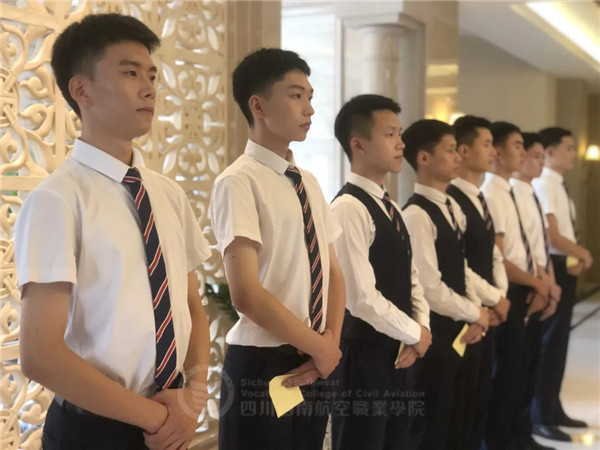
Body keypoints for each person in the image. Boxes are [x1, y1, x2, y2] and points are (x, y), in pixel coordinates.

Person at [15, 13, 211, 450]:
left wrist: (191, 398)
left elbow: (191, 306)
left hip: (170, 416)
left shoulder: (168, 194)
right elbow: (41, 355)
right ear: (81, 90)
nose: (149, 88)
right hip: (95, 430)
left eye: (151, 75)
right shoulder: (57, 200)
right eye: (130, 73)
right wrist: (158, 418)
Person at [209, 48, 345, 450]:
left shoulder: (308, 182)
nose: (309, 108)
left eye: (310, 96)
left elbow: (333, 272)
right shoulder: (238, 181)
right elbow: (246, 293)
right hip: (264, 362)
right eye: (296, 95)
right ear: (258, 106)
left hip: (315, 357)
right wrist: (319, 347)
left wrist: (329, 344)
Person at [329, 94, 432, 450]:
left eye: (400, 133)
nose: (401, 143)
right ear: (358, 144)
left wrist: (420, 330)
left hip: (399, 348)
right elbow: (360, 297)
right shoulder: (348, 208)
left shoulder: (391, 207)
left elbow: (412, 278)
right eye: (390, 134)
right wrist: (414, 332)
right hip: (363, 355)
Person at [401, 119, 501, 450]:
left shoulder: (451, 206)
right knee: (434, 425)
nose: (458, 156)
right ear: (424, 158)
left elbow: (461, 268)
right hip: (439, 335)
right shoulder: (416, 215)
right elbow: (430, 287)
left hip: (463, 328)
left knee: (464, 416)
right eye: (450, 150)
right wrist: (475, 313)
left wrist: (479, 310)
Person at [482, 122, 552, 450]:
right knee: (506, 373)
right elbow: (499, 257)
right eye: (518, 146)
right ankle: (500, 440)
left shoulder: (510, 191)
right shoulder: (493, 193)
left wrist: (541, 283)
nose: (523, 153)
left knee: (521, 370)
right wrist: (537, 282)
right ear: (497, 151)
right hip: (508, 288)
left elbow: (527, 247)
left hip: (526, 285)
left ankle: (516, 435)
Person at [446, 115, 510, 450]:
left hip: (487, 311)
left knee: (480, 399)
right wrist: (487, 303)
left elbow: (494, 253)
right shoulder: (453, 198)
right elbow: (458, 265)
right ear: (464, 150)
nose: (493, 152)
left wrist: (500, 297)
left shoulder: (478, 197)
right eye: (486, 144)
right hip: (467, 314)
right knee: (461, 406)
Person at [531, 127, 594, 441]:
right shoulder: (545, 183)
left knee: (558, 345)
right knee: (548, 345)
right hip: (553, 265)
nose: (573, 153)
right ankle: (540, 413)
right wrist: (581, 252)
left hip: (563, 264)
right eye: (568, 148)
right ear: (550, 152)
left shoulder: (556, 183)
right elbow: (552, 235)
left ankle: (552, 406)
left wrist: (576, 254)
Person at [510, 131, 562, 446]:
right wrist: (539, 284)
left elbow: (539, 246)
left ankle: (523, 432)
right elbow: (515, 250)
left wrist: (549, 283)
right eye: (534, 154)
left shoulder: (530, 193)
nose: (541, 161)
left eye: (544, 156)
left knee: (529, 366)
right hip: (522, 287)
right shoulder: (511, 193)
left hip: (539, 282)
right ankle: (511, 436)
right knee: (512, 372)